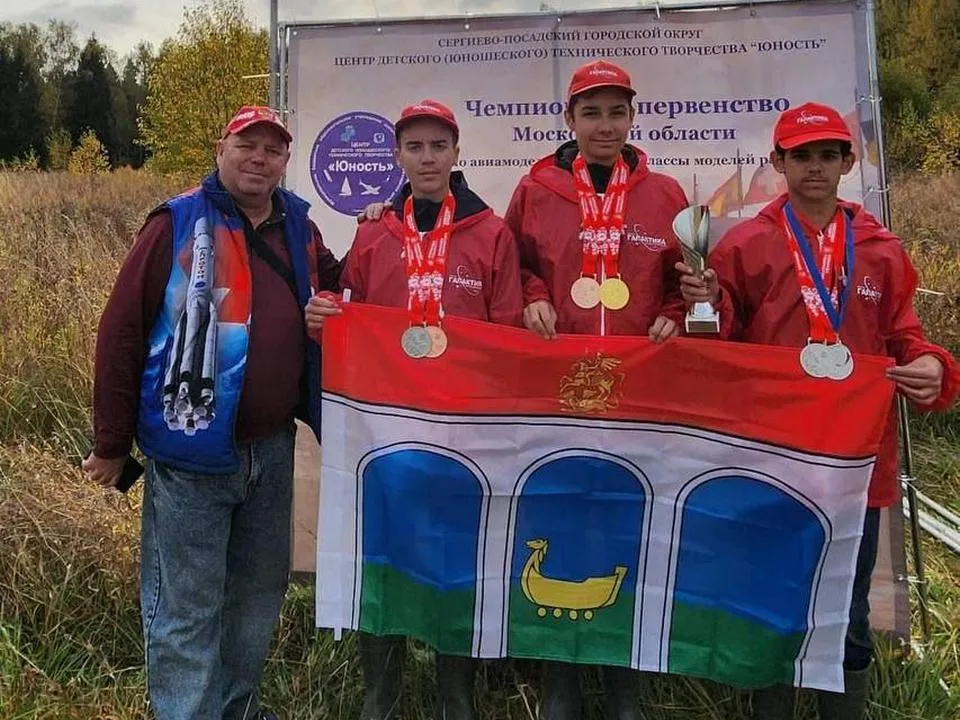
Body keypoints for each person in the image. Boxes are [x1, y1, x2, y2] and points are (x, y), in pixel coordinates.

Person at [677, 101, 959, 720]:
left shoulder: (881, 249)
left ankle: (843, 706)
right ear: (777, 163)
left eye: (827, 155)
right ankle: (770, 703)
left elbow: (904, 334)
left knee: (848, 603)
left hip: (856, 457)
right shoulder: (746, 244)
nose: (814, 167)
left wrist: (934, 364)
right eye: (800, 155)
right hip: (771, 453)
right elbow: (721, 339)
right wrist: (706, 306)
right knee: (769, 590)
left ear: (848, 163)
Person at [83, 106, 342, 720]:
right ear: (221, 149)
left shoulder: (300, 227)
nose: (259, 158)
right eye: (246, 145)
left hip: (272, 450)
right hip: (190, 450)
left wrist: (381, 231)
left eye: (272, 149)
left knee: (257, 597)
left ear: (285, 159)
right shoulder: (174, 223)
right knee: (188, 605)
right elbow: (121, 332)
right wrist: (112, 440)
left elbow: (340, 285)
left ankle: (235, 708)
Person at [306, 98, 523, 720]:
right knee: (385, 555)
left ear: (457, 154)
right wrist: (321, 316)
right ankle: (383, 692)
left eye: (438, 147)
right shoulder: (375, 232)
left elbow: (506, 335)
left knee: (460, 561)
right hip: (385, 436)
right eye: (414, 148)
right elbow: (343, 315)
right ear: (398, 156)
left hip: (465, 434)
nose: (427, 159)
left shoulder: (492, 233)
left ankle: (456, 692)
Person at [503, 60, 688, 720]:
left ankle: (624, 684)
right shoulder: (536, 188)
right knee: (557, 521)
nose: (605, 125)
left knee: (629, 528)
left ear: (633, 117)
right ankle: (559, 679)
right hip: (560, 387)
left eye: (617, 112)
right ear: (569, 119)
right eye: (591, 112)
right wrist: (530, 296)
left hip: (639, 393)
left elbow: (683, 278)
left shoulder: (666, 193)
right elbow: (514, 262)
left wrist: (677, 307)